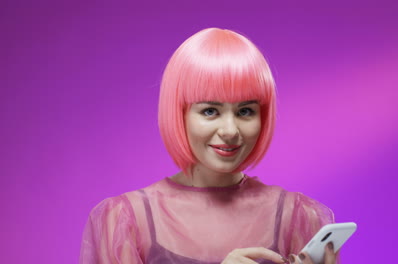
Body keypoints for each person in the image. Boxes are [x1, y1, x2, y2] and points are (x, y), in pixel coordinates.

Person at [80, 28, 339, 264]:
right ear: (178, 113)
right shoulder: (125, 221)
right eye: (210, 111)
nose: (230, 131)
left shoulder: (298, 218)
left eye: (245, 111)